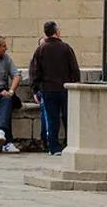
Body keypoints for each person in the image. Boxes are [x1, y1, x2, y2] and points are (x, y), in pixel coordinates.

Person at [29, 20, 81, 155]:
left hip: (48, 89)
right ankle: (70, 144)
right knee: (68, 118)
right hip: (65, 89)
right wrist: (75, 83)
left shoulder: (40, 49)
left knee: (52, 119)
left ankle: (54, 147)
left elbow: (35, 72)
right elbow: (74, 69)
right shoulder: (66, 48)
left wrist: (36, 89)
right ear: (57, 31)